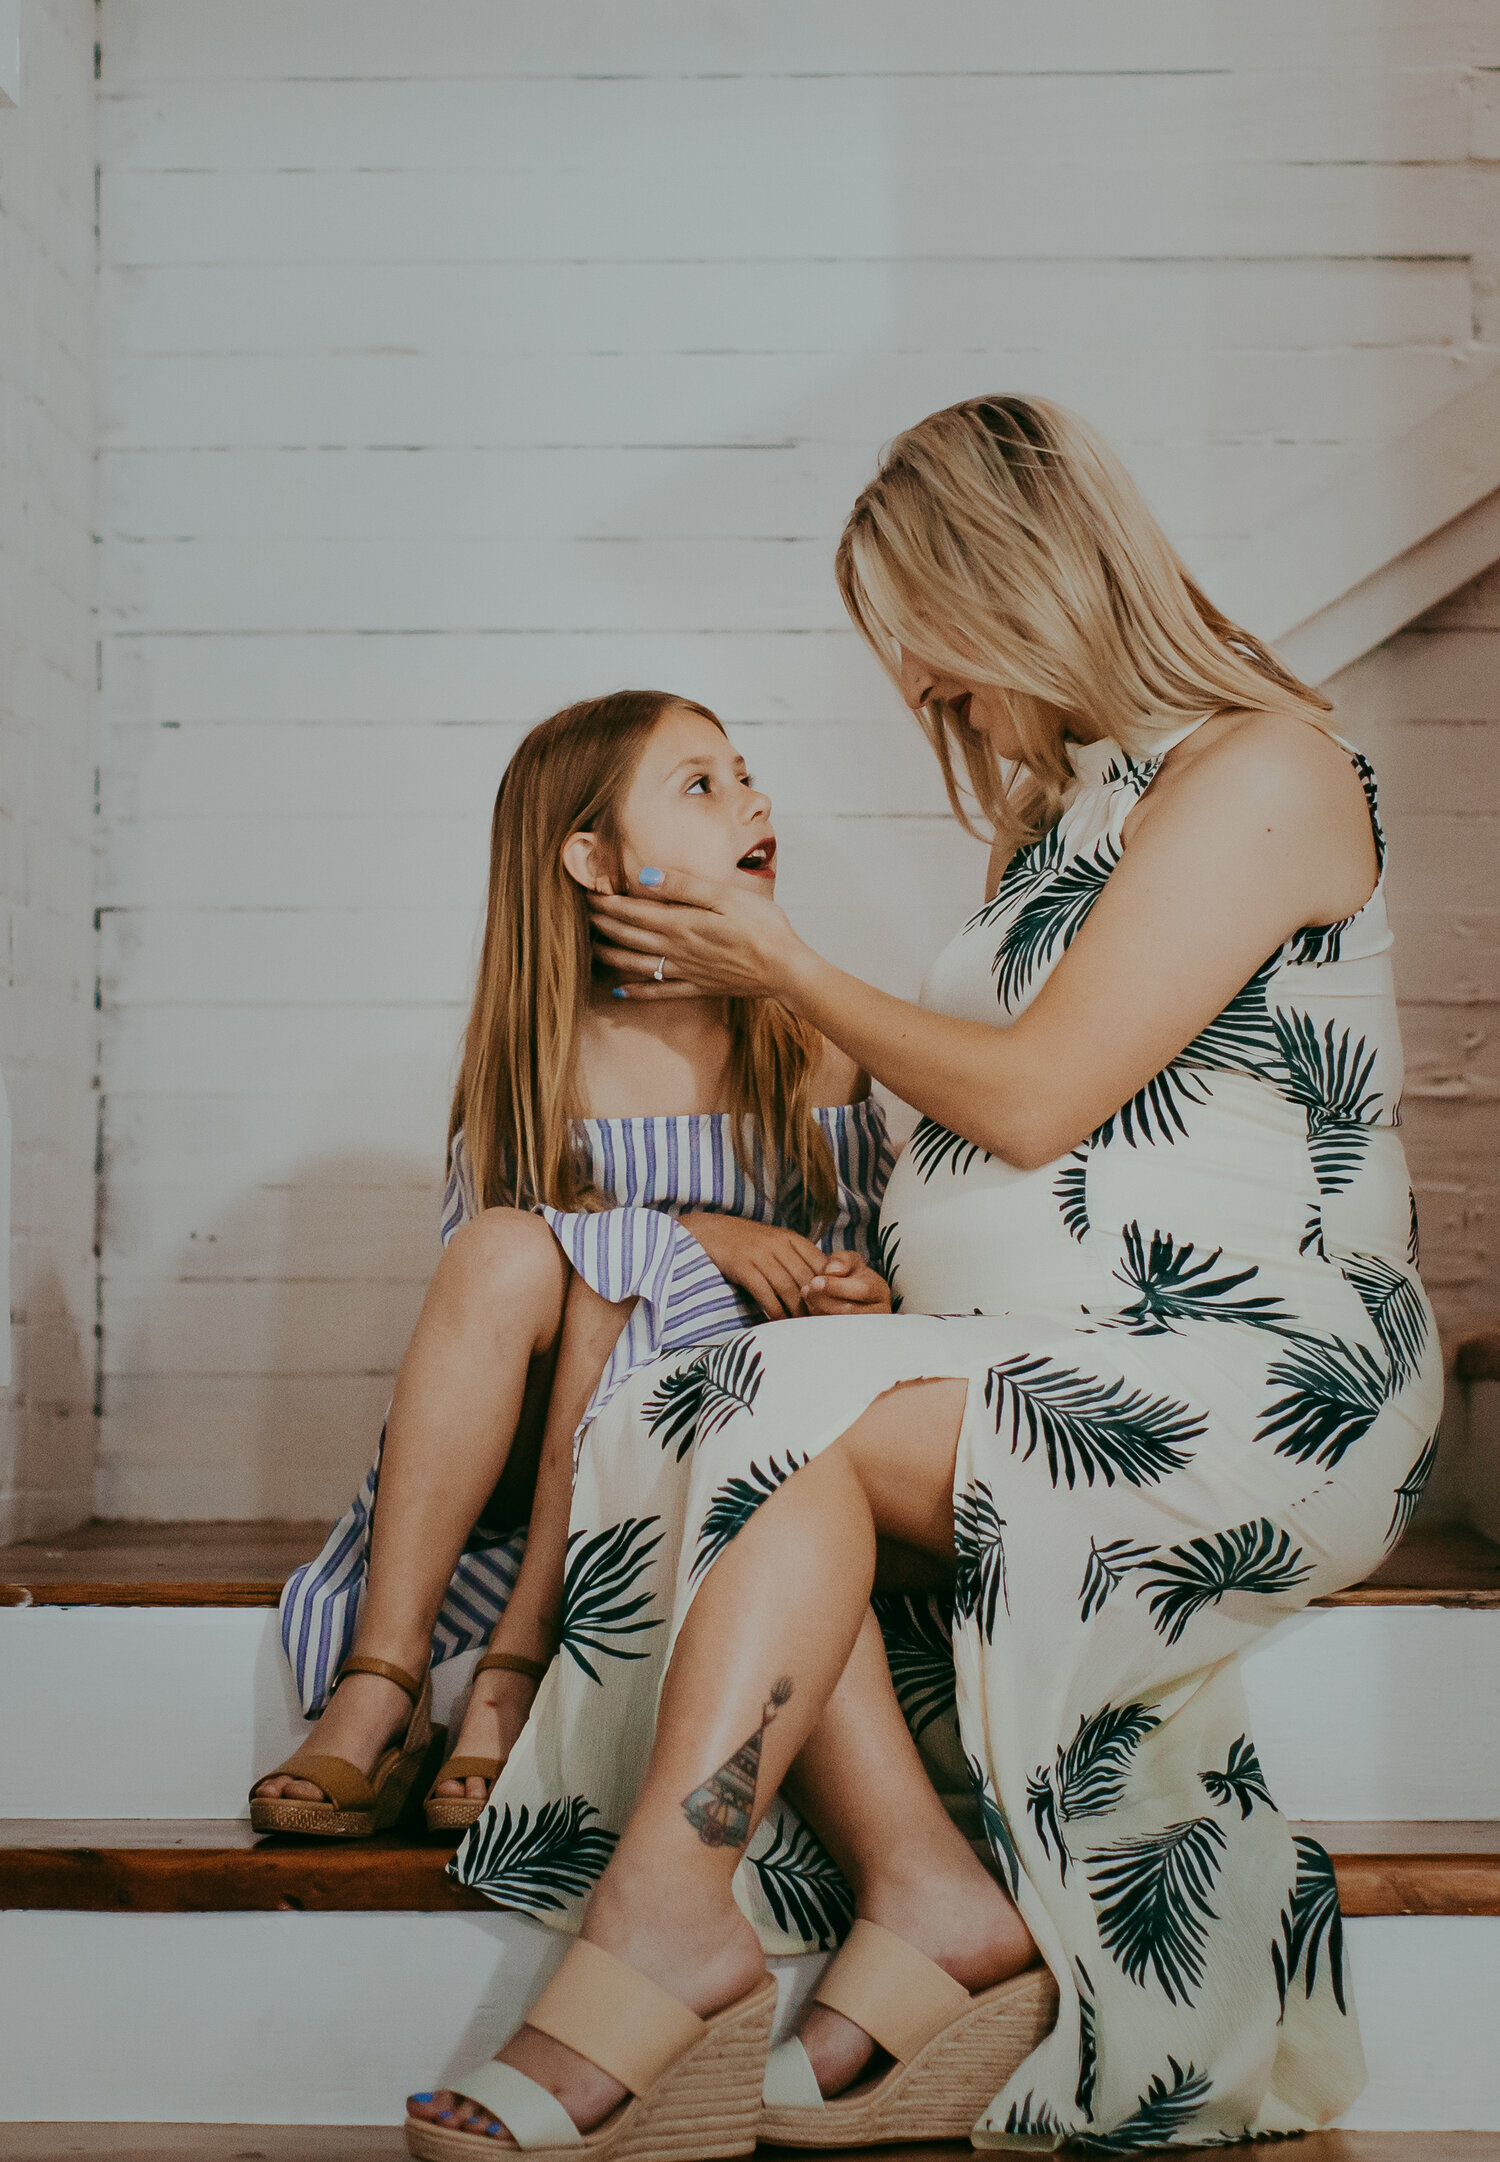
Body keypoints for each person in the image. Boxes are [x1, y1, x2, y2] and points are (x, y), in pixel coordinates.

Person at [405, 396, 1442, 2159]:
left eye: (930, 648)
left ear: (1019, 583)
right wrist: (864, 1286)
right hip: (1033, 1354)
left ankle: (666, 1924)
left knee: (732, 1412)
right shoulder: (1055, 826)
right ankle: (925, 1900)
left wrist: (778, 963)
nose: (927, 694)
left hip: (1253, 1372)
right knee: (709, 1389)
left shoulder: (1265, 767)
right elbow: (986, 1142)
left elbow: (1039, 1100)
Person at [251, 690, 893, 1836]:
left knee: (610, 1277)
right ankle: (384, 1677)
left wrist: (855, 1285)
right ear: (591, 858)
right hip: (528, 1448)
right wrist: (694, 1235)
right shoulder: (538, 1058)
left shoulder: (813, 1045)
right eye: (699, 784)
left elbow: (850, 1269)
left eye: (744, 773)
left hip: (715, 1434)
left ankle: (517, 1664)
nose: (751, 798)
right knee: (527, 1252)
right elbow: (485, 1290)